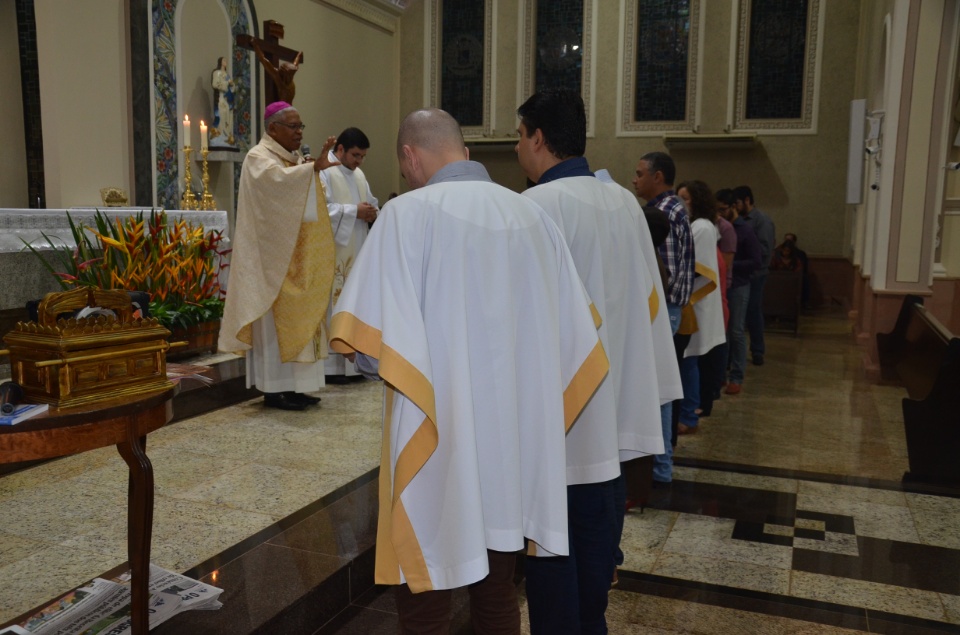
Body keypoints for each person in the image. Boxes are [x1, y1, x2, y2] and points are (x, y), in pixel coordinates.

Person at [328, 108, 609, 634]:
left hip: (434, 437)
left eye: (403, 164)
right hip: (511, 442)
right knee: (498, 589)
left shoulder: (405, 215)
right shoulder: (531, 216)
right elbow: (576, 339)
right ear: (465, 151)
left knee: (425, 592)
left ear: (410, 155)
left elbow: (366, 347)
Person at [515, 90, 664, 635]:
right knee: (601, 536)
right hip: (617, 397)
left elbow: (521, 319)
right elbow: (650, 299)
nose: (516, 148)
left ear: (536, 137)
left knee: (554, 550)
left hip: (564, 413)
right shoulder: (624, 200)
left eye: (518, 136)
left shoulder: (534, 207)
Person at [218, 101, 339, 411]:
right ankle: (275, 390)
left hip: (294, 255)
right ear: (273, 129)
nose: (299, 132)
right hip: (270, 260)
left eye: (301, 127)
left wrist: (309, 168)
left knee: (301, 318)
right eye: (293, 127)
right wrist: (311, 169)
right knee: (275, 325)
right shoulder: (258, 158)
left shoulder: (290, 158)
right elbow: (277, 187)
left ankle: (298, 387)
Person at [633, 151, 695, 486]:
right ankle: (659, 465)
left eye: (640, 173)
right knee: (662, 388)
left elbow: (663, 273)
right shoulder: (669, 209)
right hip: (667, 309)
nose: (634, 179)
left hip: (663, 309)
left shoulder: (665, 212)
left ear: (658, 177)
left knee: (658, 392)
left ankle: (660, 468)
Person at [320, 127, 379, 381]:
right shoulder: (324, 172)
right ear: (340, 149)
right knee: (335, 300)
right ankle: (332, 367)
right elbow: (321, 211)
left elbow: (370, 201)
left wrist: (371, 210)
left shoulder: (359, 175)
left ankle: (354, 362)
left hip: (357, 248)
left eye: (363, 156)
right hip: (334, 252)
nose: (359, 161)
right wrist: (355, 211)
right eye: (355, 155)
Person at [676, 181, 725, 431]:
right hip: (691, 300)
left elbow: (699, 268)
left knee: (689, 359)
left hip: (696, 301)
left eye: (686, 199)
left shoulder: (702, 227)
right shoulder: (695, 225)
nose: (681, 203)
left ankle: (688, 415)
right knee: (687, 359)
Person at [724, 190, 763, 395]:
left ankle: (737, 376)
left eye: (723, 210)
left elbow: (756, 261)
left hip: (739, 285)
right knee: (724, 332)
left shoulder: (745, 230)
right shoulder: (720, 227)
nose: (720, 215)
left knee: (737, 331)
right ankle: (723, 373)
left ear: (733, 207)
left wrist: (729, 264)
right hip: (725, 285)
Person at [733, 186, 775, 366]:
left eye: (738, 203)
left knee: (753, 311)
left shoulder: (761, 220)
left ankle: (758, 350)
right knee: (741, 314)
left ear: (747, 201)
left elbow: (765, 249)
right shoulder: (739, 219)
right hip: (742, 271)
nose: (735, 206)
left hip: (756, 273)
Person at [252, 39, 301, 103]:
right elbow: (264, 61)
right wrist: (256, 47)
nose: (290, 77)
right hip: (282, 109)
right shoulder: (279, 78)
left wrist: (299, 56)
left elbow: (295, 64)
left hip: (287, 109)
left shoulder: (288, 78)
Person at [210, 57, 235, 146]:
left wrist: (232, 85)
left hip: (227, 99)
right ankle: (220, 133)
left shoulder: (227, 75)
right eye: (224, 60)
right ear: (220, 62)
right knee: (220, 115)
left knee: (227, 116)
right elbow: (215, 84)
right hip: (220, 97)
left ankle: (226, 134)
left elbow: (232, 88)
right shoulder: (217, 73)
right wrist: (226, 84)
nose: (225, 62)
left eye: (226, 60)